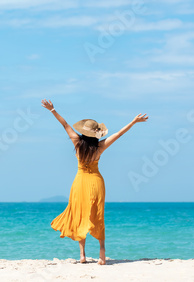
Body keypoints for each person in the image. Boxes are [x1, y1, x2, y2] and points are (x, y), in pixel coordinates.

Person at [41, 98, 148, 265]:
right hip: (97, 182)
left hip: (80, 182)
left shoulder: (77, 143)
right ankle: (102, 255)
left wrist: (52, 110)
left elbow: (65, 125)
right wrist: (134, 121)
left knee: (80, 214)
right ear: (97, 134)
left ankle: (82, 255)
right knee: (97, 215)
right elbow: (119, 133)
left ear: (84, 132)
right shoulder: (100, 147)